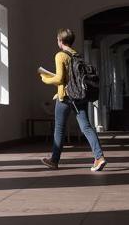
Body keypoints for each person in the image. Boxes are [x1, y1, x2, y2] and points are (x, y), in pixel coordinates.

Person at [39, 28, 107, 172]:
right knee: (87, 127)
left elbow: (59, 78)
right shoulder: (77, 55)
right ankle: (99, 157)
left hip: (67, 98)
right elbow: (71, 79)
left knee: (59, 129)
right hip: (79, 96)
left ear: (60, 41)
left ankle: (54, 161)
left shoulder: (60, 55)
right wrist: (58, 92)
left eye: (57, 39)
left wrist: (45, 79)